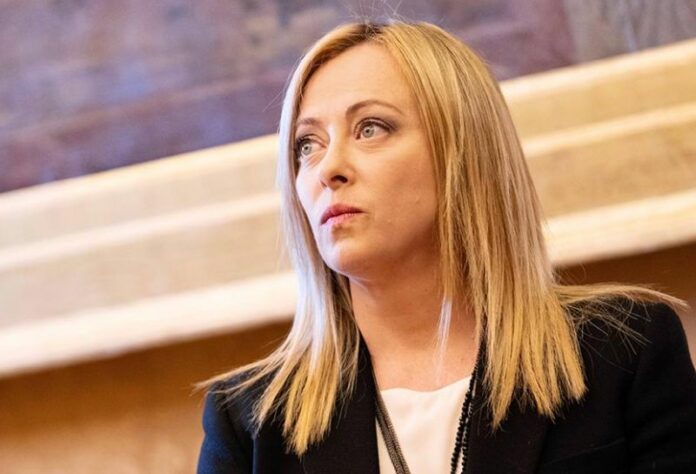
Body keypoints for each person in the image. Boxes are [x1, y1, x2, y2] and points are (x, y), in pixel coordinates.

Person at [195, 19, 696, 473]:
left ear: (463, 150)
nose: (328, 168)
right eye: (307, 145)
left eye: (370, 128)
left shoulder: (625, 352)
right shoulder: (248, 423)